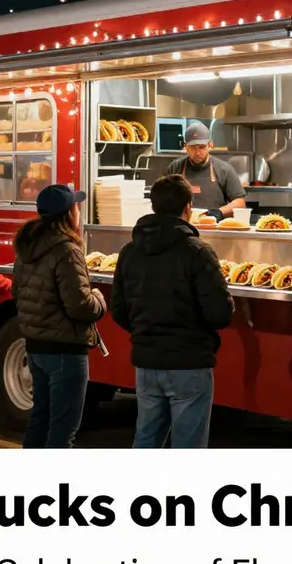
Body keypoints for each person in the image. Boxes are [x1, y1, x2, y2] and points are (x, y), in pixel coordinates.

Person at [110, 174, 234, 449]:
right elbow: (219, 313)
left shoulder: (130, 251)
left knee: (146, 439)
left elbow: (118, 308)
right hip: (189, 363)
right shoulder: (198, 252)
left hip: (146, 361)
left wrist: (145, 331)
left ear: (152, 206)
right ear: (188, 206)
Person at [12, 184, 106, 449]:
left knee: (39, 420)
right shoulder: (67, 250)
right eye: (76, 205)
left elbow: (17, 294)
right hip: (65, 351)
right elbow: (80, 306)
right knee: (63, 430)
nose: (79, 209)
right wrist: (99, 298)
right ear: (67, 213)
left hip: (36, 347)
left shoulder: (26, 246)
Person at [166, 121, 246, 220]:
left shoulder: (224, 169)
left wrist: (220, 212)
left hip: (213, 228)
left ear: (210, 145)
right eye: (192, 148)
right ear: (185, 146)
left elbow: (240, 202)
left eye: (202, 147)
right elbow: (163, 199)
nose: (197, 152)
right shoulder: (175, 167)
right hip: (182, 227)